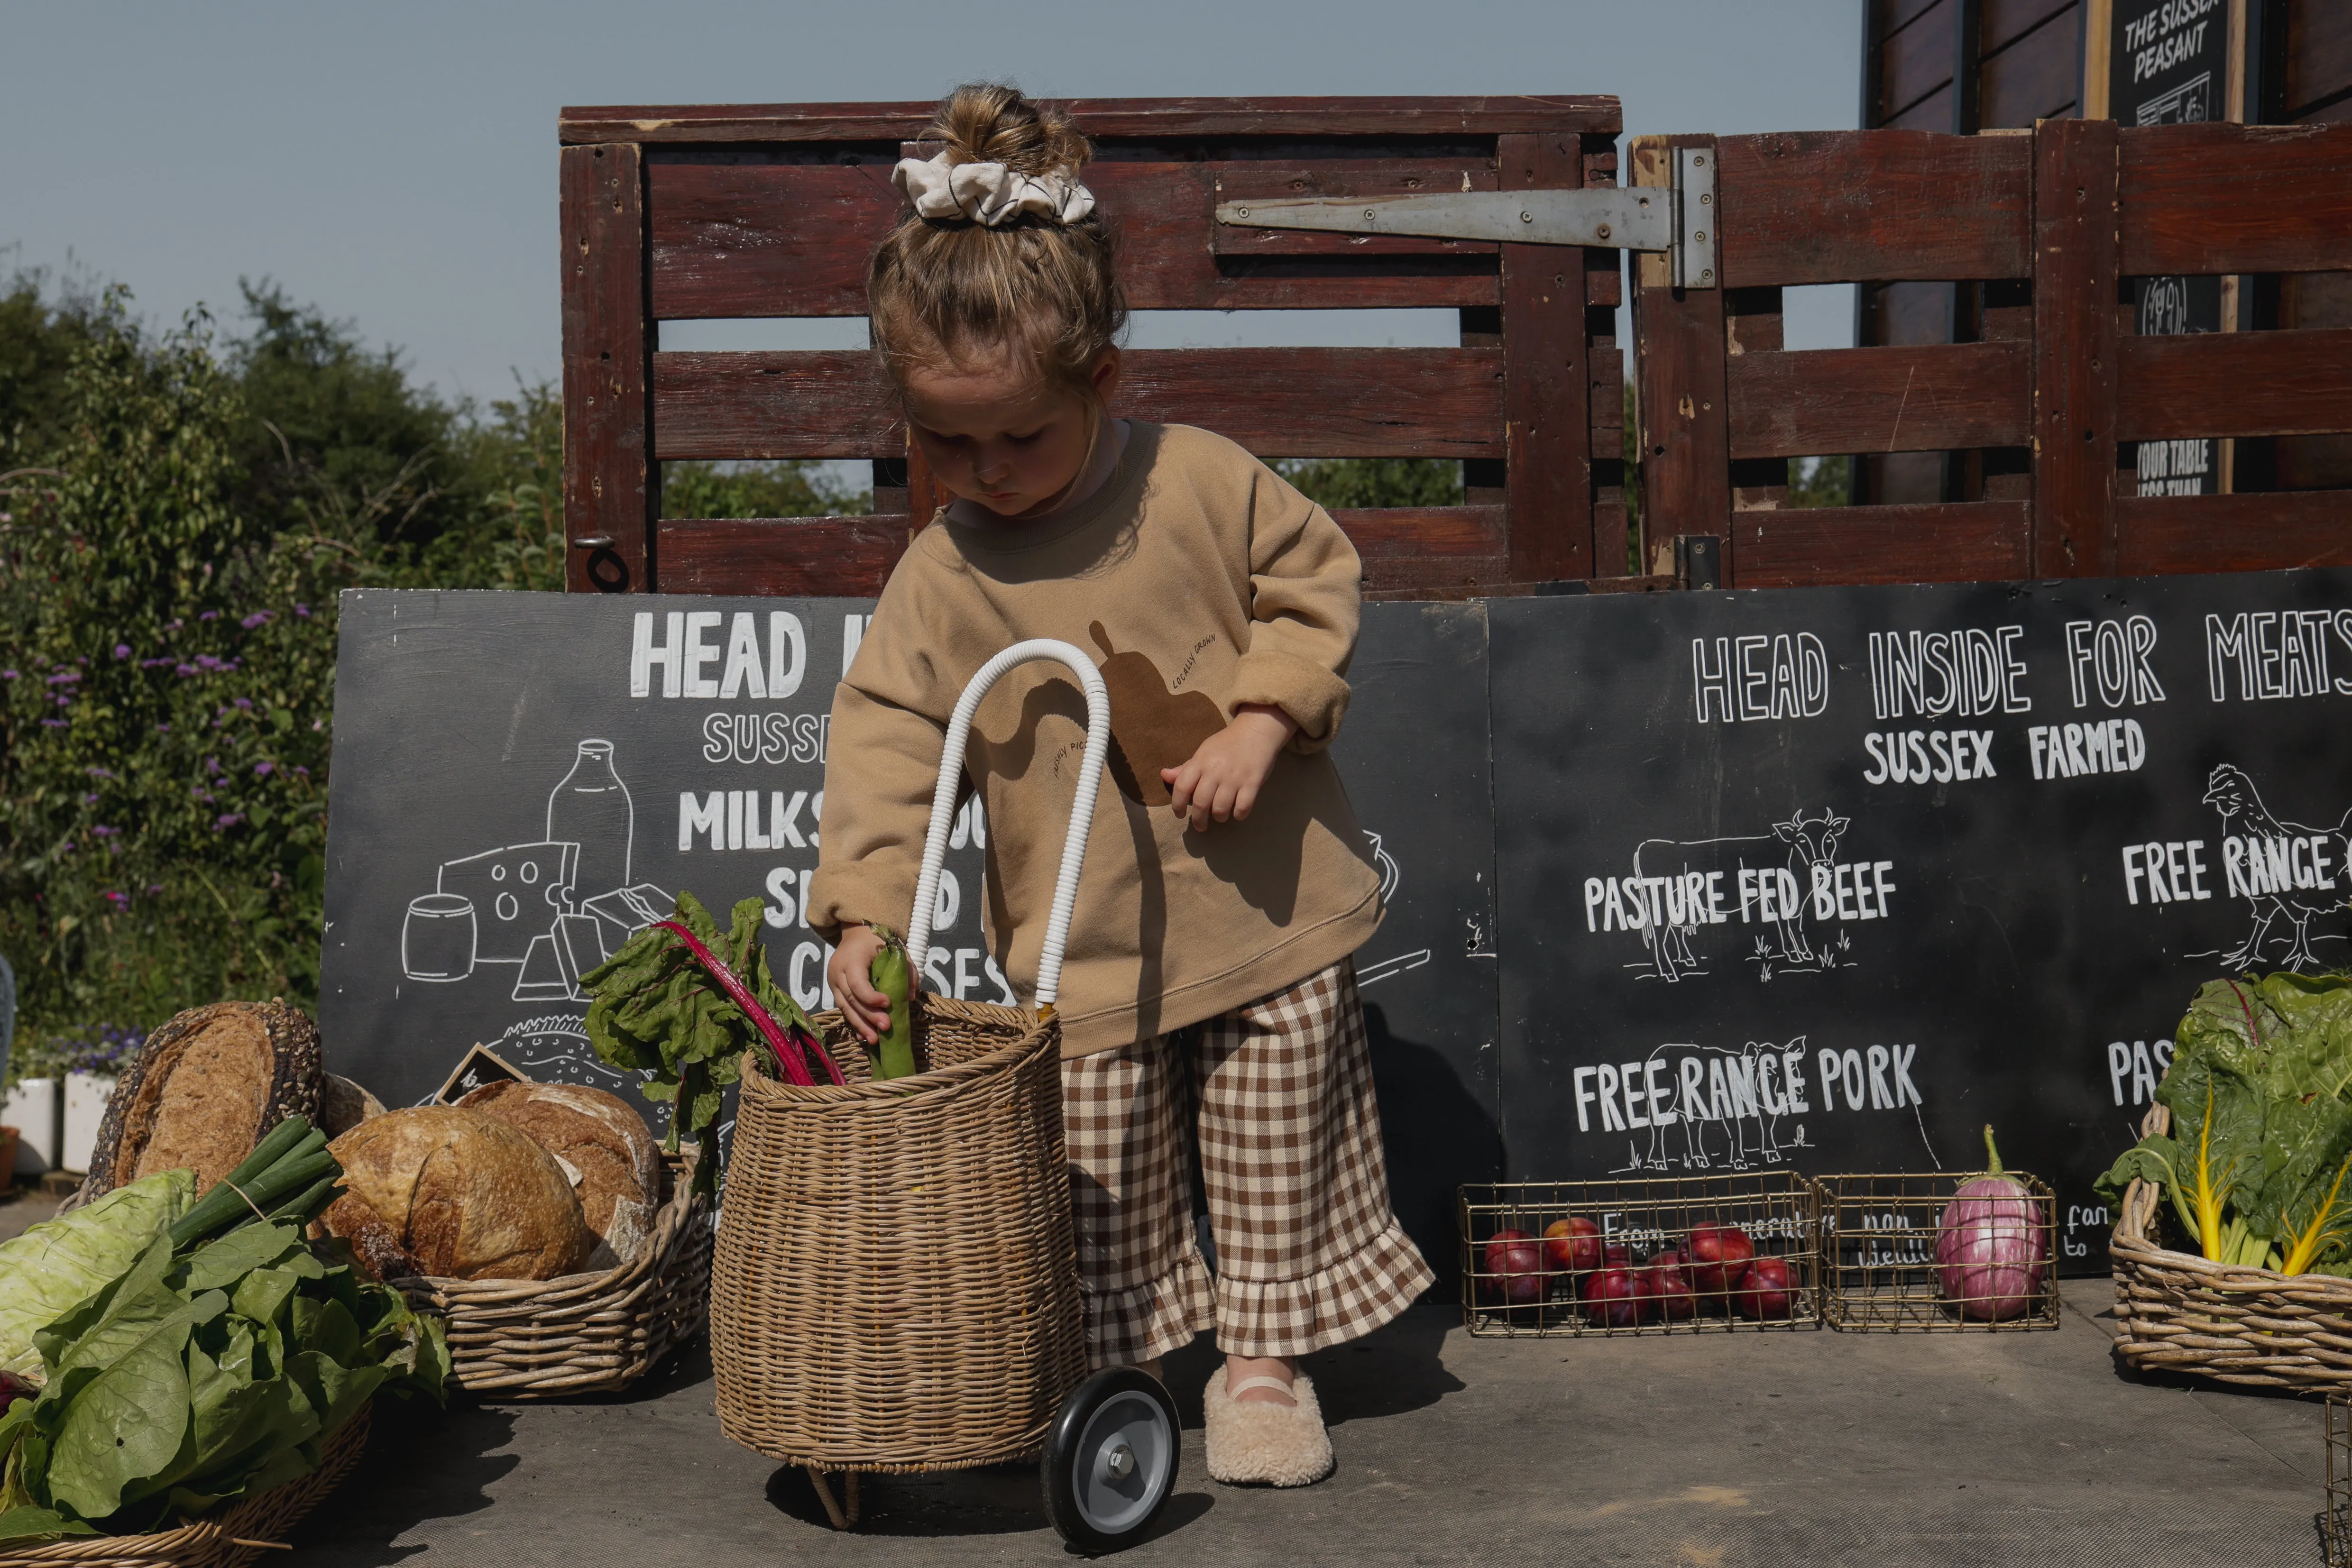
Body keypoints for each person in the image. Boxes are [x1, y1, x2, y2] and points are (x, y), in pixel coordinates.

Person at [808, 83, 1433, 1489]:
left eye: (1018, 438)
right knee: (1101, 1180)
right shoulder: (941, 574)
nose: (985, 473)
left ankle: (1265, 1367)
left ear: (1103, 377)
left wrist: (1267, 720)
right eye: (944, 443)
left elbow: (1316, 580)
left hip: (1262, 913)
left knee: (1274, 1155)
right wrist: (866, 908)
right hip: (1078, 947)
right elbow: (893, 739)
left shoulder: (1201, 484)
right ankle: (1129, 1373)